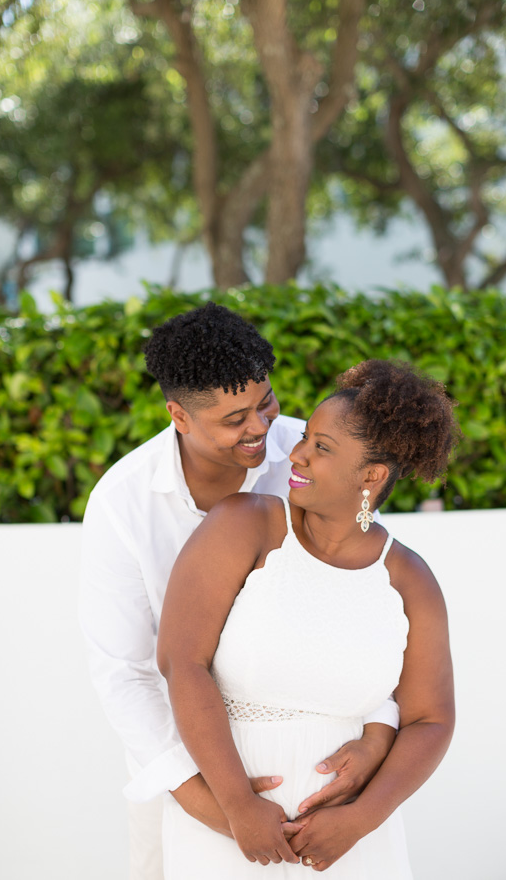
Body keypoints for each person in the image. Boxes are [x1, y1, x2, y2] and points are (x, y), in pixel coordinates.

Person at [79, 304, 399, 880]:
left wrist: (379, 733)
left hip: (319, 772)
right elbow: (124, 671)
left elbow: (365, 602)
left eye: (266, 402)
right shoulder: (122, 503)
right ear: (179, 414)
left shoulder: (313, 457)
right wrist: (211, 799)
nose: (261, 428)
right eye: (233, 419)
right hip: (178, 770)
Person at [157, 358, 459, 878]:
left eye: (321, 447)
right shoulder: (244, 525)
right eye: (307, 438)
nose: (296, 452)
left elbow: (430, 720)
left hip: (349, 844)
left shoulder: (410, 580)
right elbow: (182, 662)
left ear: (372, 475)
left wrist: (361, 820)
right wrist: (236, 806)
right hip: (230, 828)